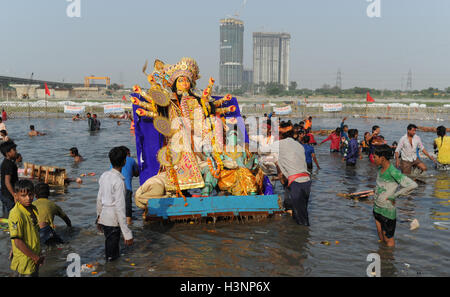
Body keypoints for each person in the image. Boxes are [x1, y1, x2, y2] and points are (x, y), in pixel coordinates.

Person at [264, 123, 311, 226]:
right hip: (307, 181)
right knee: (302, 212)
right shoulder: (299, 145)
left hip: (296, 183)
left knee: (300, 217)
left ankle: (301, 237)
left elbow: (261, 150)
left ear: (281, 136)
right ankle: (303, 237)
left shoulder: (280, 144)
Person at [372, 145, 418, 247]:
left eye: (375, 157)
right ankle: (382, 255)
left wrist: (395, 195)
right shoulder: (380, 169)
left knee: (388, 238)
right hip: (377, 208)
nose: (373, 159)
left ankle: (389, 260)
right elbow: (381, 185)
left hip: (387, 212)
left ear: (382, 158)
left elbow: (413, 185)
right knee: (380, 235)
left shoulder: (393, 171)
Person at [96, 147, 133, 261]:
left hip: (104, 218)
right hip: (113, 220)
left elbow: (99, 199)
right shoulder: (119, 181)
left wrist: (98, 217)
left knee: (109, 248)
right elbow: (120, 208)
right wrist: (127, 233)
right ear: (124, 162)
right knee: (113, 256)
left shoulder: (104, 176)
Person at [8, 180, 44, 277]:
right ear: (16, 196)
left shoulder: (33, 209)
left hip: (33, 255)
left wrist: (38, 253)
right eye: (23, 196)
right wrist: (35, 257)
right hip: (25, 259)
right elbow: (17, 241)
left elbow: (33, 232)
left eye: (30, 194)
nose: (28, 198)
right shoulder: (16, 214)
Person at [110, 146, 139, 225]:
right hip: (127, 188)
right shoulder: (131, 160)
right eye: (129, 153)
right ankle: (129, 223)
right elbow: (137, 173)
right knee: (127, 208)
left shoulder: (113, 162)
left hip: (113, 188)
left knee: (116, 209)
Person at [1, 141, 19, 217]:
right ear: (8, 153)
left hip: (4, 193)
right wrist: (14, 195)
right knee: (13, 214)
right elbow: (7, 181)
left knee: (7, 214)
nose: (16, 152)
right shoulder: (9, 164)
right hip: (9, 195)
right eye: (14, 150)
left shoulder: (5, 162)